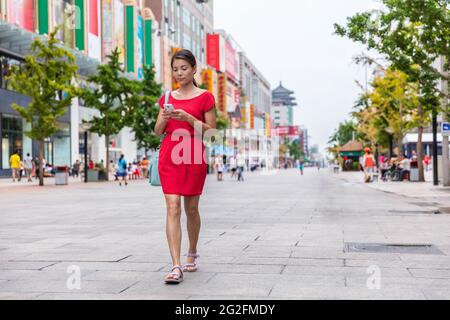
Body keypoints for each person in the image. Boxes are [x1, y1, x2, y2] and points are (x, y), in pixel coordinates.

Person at [154, 49, 216, 284]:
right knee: (172, 208)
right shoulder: (167, 97)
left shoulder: (205, 97)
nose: (179, 73)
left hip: (192, 156)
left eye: (183, 68)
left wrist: (189, 119)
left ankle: (192, 250)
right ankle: (175, 265)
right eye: (175, 69)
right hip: (170, 156)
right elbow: (157, 131)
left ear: (193, 69)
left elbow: (213, 135)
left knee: (191, 209)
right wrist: (165, 117)